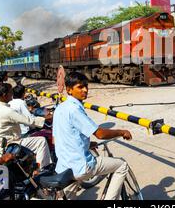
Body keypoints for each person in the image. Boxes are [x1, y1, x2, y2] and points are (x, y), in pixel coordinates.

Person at [53, 72, 132, 200]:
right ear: (69, 90)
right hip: (80, 165)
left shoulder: (60, 108)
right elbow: (100, 134)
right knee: (122, 165)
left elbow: (60, 138)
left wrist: (86, 144)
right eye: (80, 87)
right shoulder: (74, 109)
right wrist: (122, 132)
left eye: (86, 86)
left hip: (64, 167)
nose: (85, 90)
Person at [0, 83, 53, 170]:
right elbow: (29, 121)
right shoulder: (7, 111)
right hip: (8, 145)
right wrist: (47, 118)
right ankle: (41, 170)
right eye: (10, 92)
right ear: (4, 95)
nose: (12, 95)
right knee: (41, 141)